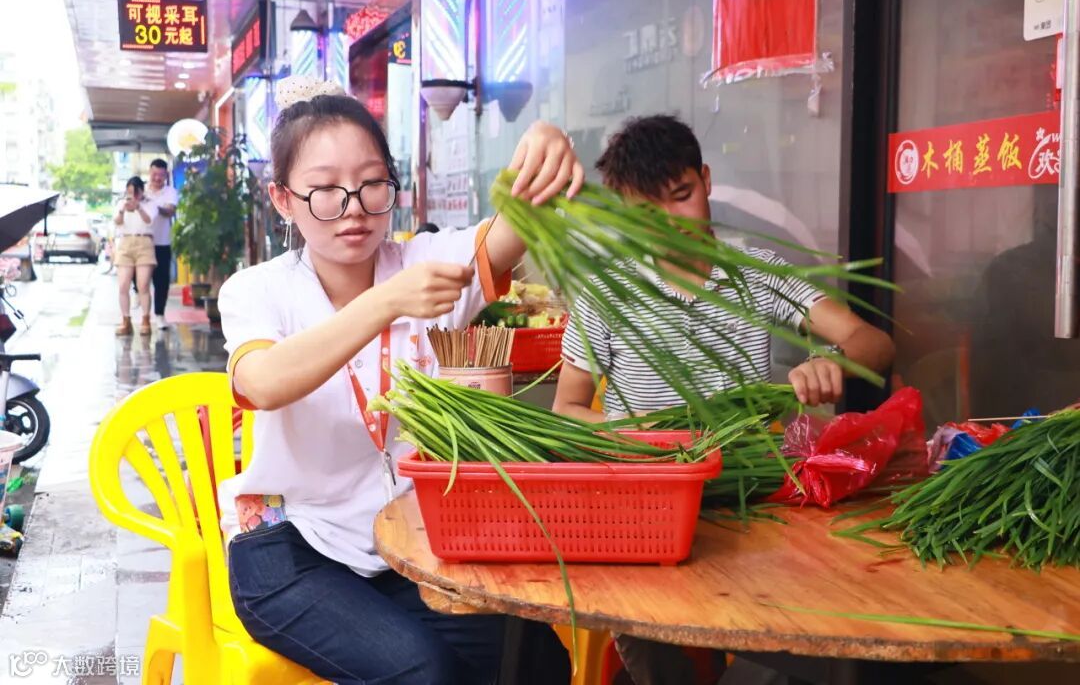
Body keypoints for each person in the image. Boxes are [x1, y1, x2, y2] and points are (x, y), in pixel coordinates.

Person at [218, 76, 583, 685]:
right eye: (325, 190)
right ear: (283, 199)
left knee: (535, 659)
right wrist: (386, 303)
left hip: (406, 543)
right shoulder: (257, 290)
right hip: (290, 549)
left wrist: (546, 140)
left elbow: (520, 223)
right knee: (424, 671)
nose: (354, 207)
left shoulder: (423, 264)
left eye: (371, 183)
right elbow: (263, 383)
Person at [551, 115, 895, 685]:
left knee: (803, 638)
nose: (672, 224)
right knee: (650, 638)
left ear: (706, 180)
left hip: (748, 504)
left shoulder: (755, 275)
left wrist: (834, 363)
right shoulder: (607, 292)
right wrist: (633, 433)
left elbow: (873, 341)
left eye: (682, 196)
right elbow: (566, 408)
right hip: (648, 510)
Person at [113, 176, 158, 337]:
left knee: (143, 284)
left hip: (144, 242)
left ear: (141, 191)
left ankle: (146, 320)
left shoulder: (150, 203)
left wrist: (138, 207)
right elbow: (117, 222)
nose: (133, 196)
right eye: (130, 192)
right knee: (123, 284)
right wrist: (123, 210)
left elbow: (149, 221)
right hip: (126, 242)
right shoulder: (121, 203)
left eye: (136, 192)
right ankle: (126, 320)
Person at [145, 157, 179, 330]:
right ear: (149, 173)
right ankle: (144, 314)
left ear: (166, 175)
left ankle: (159, 315)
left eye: (161, 175)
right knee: (141, 279)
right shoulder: (142, 190)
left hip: (162, 243)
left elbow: (170, 211)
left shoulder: (170, 192)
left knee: (161, 282)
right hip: (143, 242)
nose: (157, 178)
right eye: (154, 174)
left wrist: (155, 207)